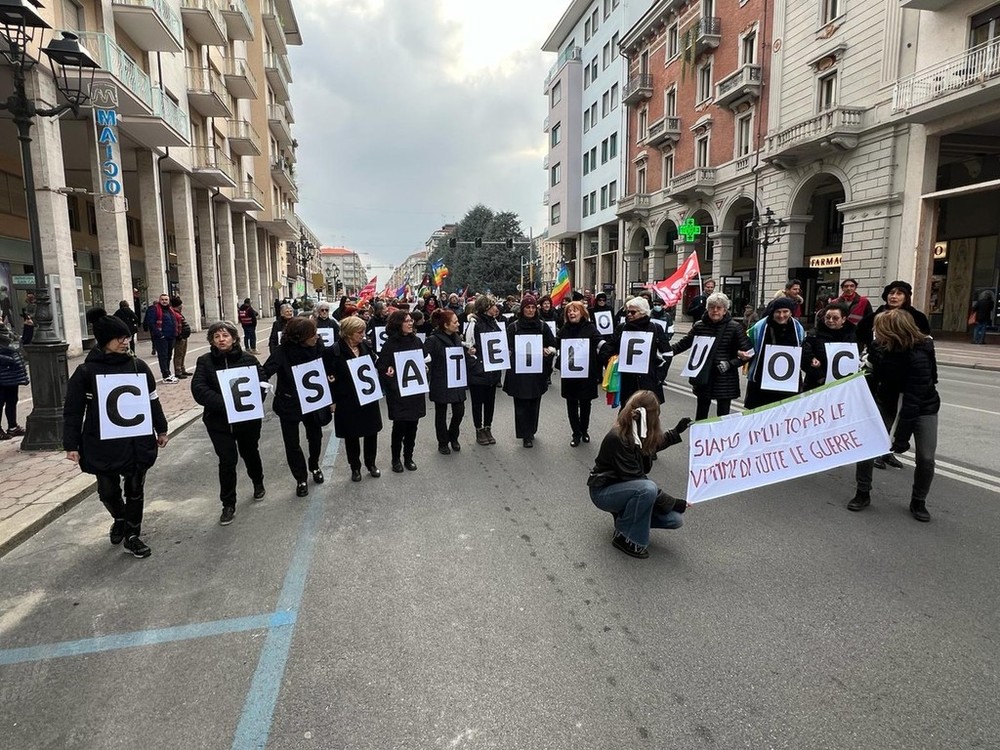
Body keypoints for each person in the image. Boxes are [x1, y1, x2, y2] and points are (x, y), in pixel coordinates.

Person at [63, 308, 169, 558]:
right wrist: (71, 444)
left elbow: (152, 399)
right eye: (119, 338)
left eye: (127, 337)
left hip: (136, 440)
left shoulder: (138, 366)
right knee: (108, 491)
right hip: (102, 442)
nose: (126, 341)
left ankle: (132, 534)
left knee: (135, 489)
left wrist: (161, 428)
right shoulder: (86, 372)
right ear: (104, 340)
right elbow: (73, 410)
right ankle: (120, 517)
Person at [848, 309, 940, 522]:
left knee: (926, 458)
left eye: (878, 328)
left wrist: (900, 438)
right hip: (887, 401)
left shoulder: (920, 354)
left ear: (894, 331)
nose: (874, 332)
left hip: (922, 407)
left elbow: (912, 400)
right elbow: (871, 375)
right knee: (867, 448)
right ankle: (863, 492)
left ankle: (918, 500)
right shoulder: (879, 347)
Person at [587, 390, 692, 559]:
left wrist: (676, 432)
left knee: (675, 520)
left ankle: (625, 519)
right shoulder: (618, 437)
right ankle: (627, 539)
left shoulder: (639, 432)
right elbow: (637, 479)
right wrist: (673, 502)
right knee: (647, 488)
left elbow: (653, 446)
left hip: (626, 489)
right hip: (604, 492)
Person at [191, 321, 266, 526]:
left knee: (250, 452)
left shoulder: (248, 360)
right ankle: (228, 503)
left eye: (225, 335)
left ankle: (257, 481)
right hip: (219, 421)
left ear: (234, 338)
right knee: (227, 460)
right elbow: (199, 389)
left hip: (247, 420)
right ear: (212, 341)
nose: (221, 339)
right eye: (216, 336)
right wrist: (225, 403)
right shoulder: (204, 361)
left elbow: (261, 383)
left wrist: (252, 400)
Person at [855, 280, 930, 470]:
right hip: (881, 376)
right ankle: (875, 454)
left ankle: (887, 452)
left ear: (906, 297)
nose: (894, 296)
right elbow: (859, 336)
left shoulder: (917, 318)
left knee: (899, 417)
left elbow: (924, 345)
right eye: (891, 293)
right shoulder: (875, 316)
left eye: (899, 293)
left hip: (905, 378)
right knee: (881, 416)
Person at [263, 316, 332, 496]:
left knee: (315, 437)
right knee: (292, 443)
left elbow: (329, 365)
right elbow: (265, 372)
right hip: (289, 404)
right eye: (312, 334)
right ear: (300, 337)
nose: (317, 337)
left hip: (313, 402)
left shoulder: (318, 346)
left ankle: (314, 465)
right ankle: (300, 478)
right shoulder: (282, 352)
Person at [670, 292, 753, 420]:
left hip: (725, 379)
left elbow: (749, 353)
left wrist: (730, 364)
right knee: (701, 416)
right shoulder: (699, 326)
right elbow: (683, 344)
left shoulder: (735, 327)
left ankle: (720, 440)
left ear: (725, 310)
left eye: (719, 308)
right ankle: (700, 439)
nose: (715, 311)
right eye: (712, 307)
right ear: (707, 309)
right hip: (704, 378)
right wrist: (665, 352)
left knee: (723, 417)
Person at [327, 315, 383, 481]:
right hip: (347, 398)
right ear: (349, 333)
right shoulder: (334, 351)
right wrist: (332, 400)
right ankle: (355, 467)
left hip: (368, 396)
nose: (363, 335)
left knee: (371, 432)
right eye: (360, 332)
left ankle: (371, 464)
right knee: (351, 435)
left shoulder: (365, 346)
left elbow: (375, 364)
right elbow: (328, 377)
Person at [503, 295, 557, 448]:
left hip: (537, 371)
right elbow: (506, 346)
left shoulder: (542, 326)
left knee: (534, 401)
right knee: (520, 403)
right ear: (522, 309)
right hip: (519, 372)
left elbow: (553, 344)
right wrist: (509, 353)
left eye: (533, 307)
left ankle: (531, 430)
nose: (531, 310)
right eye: (527, 307)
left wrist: (548, 350)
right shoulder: (513, 327)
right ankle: (524, 434)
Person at [376, 310, 425, 472]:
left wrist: (425, 367)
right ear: (398, 324)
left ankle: (408, 457)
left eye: (411, 320)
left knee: (413, 426)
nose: (411, 323)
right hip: (398, 393)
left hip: (415, 391)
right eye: (406, 321)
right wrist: (389, 375)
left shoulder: (417, 341)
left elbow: (424, 360)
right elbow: (382, 367)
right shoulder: (390, 344)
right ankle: (395, 459)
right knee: (399, 427)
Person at [604, 296, 672, 407]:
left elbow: (667, 353)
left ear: (643, 312)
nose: (629, 314)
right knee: (626, 416)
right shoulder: (622, 328)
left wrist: (659, 376)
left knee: (648, 416)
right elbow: (609, 349)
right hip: (627, 380)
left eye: (633, 312)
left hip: (648, 380)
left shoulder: (655, 328)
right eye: (628, 312)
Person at [744, 297, 806, 409]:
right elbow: (747, 344)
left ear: (791, 312)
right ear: (772, 312)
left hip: (788, 380)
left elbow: (803, 347)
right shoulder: (760, 327)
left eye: (785, 312)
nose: (781, 315)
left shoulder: (798, 328)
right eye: (778, 312)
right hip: (762, 379)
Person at [424, 308, 468, 455]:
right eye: (455, 322)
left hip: (456, 380)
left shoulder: (457, 338)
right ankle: (443, 442)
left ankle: (453, 436)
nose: (458, 324)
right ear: (446, 325)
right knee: (441, 414)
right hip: (441, 381)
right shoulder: (433, 340)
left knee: (459, 412)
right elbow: (425, 358)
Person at [557, 300, 601, 446]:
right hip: (570, 376)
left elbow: (599, 342)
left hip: (587, 374)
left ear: (582, 313)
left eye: (575, 310)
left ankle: (584, 431)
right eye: (569, 311)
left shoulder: (590, 328)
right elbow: (556, 344)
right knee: (571, 404)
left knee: (585, 404)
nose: (571, 313)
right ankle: (575, 433)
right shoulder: (564, 330)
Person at [464, 295, 503, 446]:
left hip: (492, 369)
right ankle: (479, 429)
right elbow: (468, 345)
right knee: (477, 402)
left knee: (490, 401)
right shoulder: (474, 324)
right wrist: (475, 356)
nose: (496, 308)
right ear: (486, 308)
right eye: (493, 306)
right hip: (479, 370)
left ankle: (488, 427)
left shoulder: (494, 322)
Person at [801, 302, 858, 391]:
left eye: (835, 318)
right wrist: (820, 377)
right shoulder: (814, 335)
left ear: (843, 319)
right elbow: (805, 356)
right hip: (817, 384)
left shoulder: (853, 335)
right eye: (827, 317)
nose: (830, 320)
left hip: (844, 386)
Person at [143, 293, 181, 383]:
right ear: (159, 300)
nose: (164, 301)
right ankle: (165, 374)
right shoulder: (155, 309)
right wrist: (160, 334)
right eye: (162, 299)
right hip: (161, 337)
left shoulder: (170, 310)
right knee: (163, 356)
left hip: (171, 336)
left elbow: (174, 321)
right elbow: (151, 323)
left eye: (166, 300)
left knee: (168, 356)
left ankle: (168, 373)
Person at [0, 323, 29, 439]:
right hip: (2, 373)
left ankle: (13, 427)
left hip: (12, 373)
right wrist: (9, 360)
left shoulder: (7, 331)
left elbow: (20, 343)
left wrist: (28, 328)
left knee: (12, 400)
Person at [170, 296, 192, 379]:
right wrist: (178, 335)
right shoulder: (174, 313)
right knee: (178, 354)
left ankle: (182, 369)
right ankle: (178, 371)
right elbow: (175, 325)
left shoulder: (177, 313)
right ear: (178, 305)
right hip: (180, 337)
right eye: (180, 305)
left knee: (183, 353)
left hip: (184, 336)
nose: (182, 306)